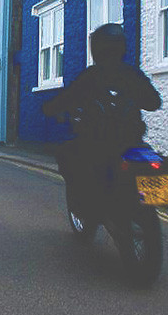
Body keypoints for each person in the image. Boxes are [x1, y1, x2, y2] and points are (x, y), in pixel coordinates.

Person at [42, 23, 161, 225]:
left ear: (96, 48)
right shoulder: (132, 75)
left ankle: (88, 207)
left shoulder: (91, 76)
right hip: (133, 143)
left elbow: (65, 99)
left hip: (98, 144)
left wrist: (50, 109)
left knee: (66, 153)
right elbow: (154, 102)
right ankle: (133, 205)